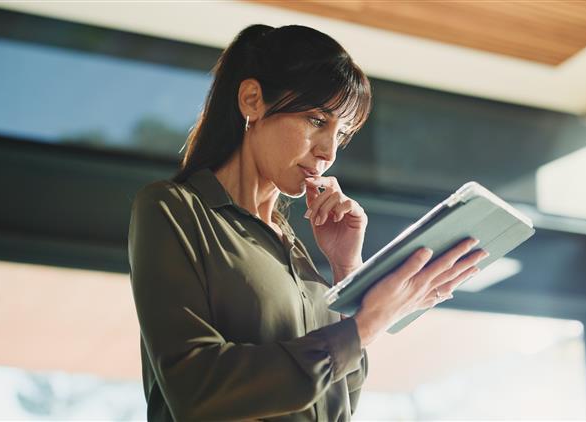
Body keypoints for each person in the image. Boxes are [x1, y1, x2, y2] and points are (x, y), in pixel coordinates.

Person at [127, 24, 488, 422]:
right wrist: (367, 325)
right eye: (317, 121)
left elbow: (341, 403)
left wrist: (346, 271)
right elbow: (196, 390)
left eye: (341, 133)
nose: (328, 152)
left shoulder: (294, 246)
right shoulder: (173, 208)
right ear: (252, 101)